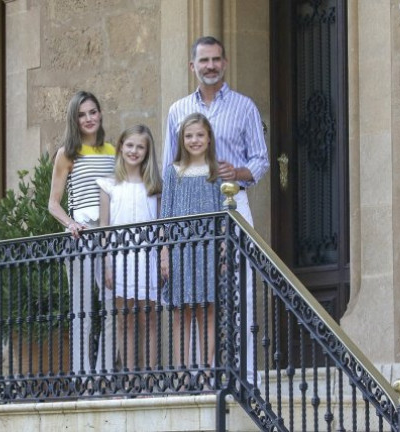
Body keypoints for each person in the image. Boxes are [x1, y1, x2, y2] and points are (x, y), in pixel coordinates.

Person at [162, 36, 270, 385]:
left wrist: (236, 172)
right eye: (203, 60)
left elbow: (261, 159)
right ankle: (194, 377)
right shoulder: (177, 110)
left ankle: (244, 376)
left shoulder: (244, 107)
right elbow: (169, 163)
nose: (210, 65)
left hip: (232, 201)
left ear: (224, 63)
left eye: (216, 59)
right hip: (187, 208)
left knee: (236, 289)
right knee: (190, 292)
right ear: (192, 66)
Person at [48, 90, 116, 374]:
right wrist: (70, 224)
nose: (88, 119)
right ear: (74, 120)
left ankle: (105, 373)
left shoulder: (112, 151)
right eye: (82, 114)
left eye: (92, 112)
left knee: (113, 309)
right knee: (83, 311)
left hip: (110, 238)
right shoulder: (67, 153)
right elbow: (53, 203)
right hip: (80, 238)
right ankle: (82, 376)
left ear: (100, 114)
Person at [97, 124, 162, 371]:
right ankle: (130, 375)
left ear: (147, 152)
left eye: (140, 147)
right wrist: (106, 264)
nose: (134, 151)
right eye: (130, 145)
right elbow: (104, 227)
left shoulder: (154, 187)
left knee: (149, 317)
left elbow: (160, 226)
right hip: (119, 258)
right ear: (121, 147)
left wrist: (161, 259)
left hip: (147, 257)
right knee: (125, 319)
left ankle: (150, 376)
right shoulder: (109, 185)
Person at [160, 113, 224, 368]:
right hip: (180, 251)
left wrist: (222, 251)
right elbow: (165, 217)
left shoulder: (216, 172)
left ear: (208, 139)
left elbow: (223, 215)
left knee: (207, 309)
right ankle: (183, 373)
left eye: (199, 135)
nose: (194, 140)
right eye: (189, 135)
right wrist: (164, 253)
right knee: (181, 312)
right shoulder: (173, 172)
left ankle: (207, 370)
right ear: (181, 139)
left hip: (208, 250)